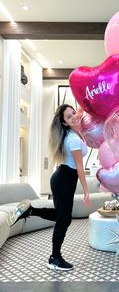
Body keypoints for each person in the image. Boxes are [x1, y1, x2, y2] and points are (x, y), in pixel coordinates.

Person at [7, 104, 90, 271]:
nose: (74, 116)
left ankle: (30, 211)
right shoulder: (73, 138)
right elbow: (80, 167)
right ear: (65, 123)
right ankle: (55, 258)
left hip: (63, 178)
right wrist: (86, 190)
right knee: (64, 219)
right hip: (64, 180)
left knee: (62, 216)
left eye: (73, 112)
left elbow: (81, 120)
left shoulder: (73, 133)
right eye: (69, 117)